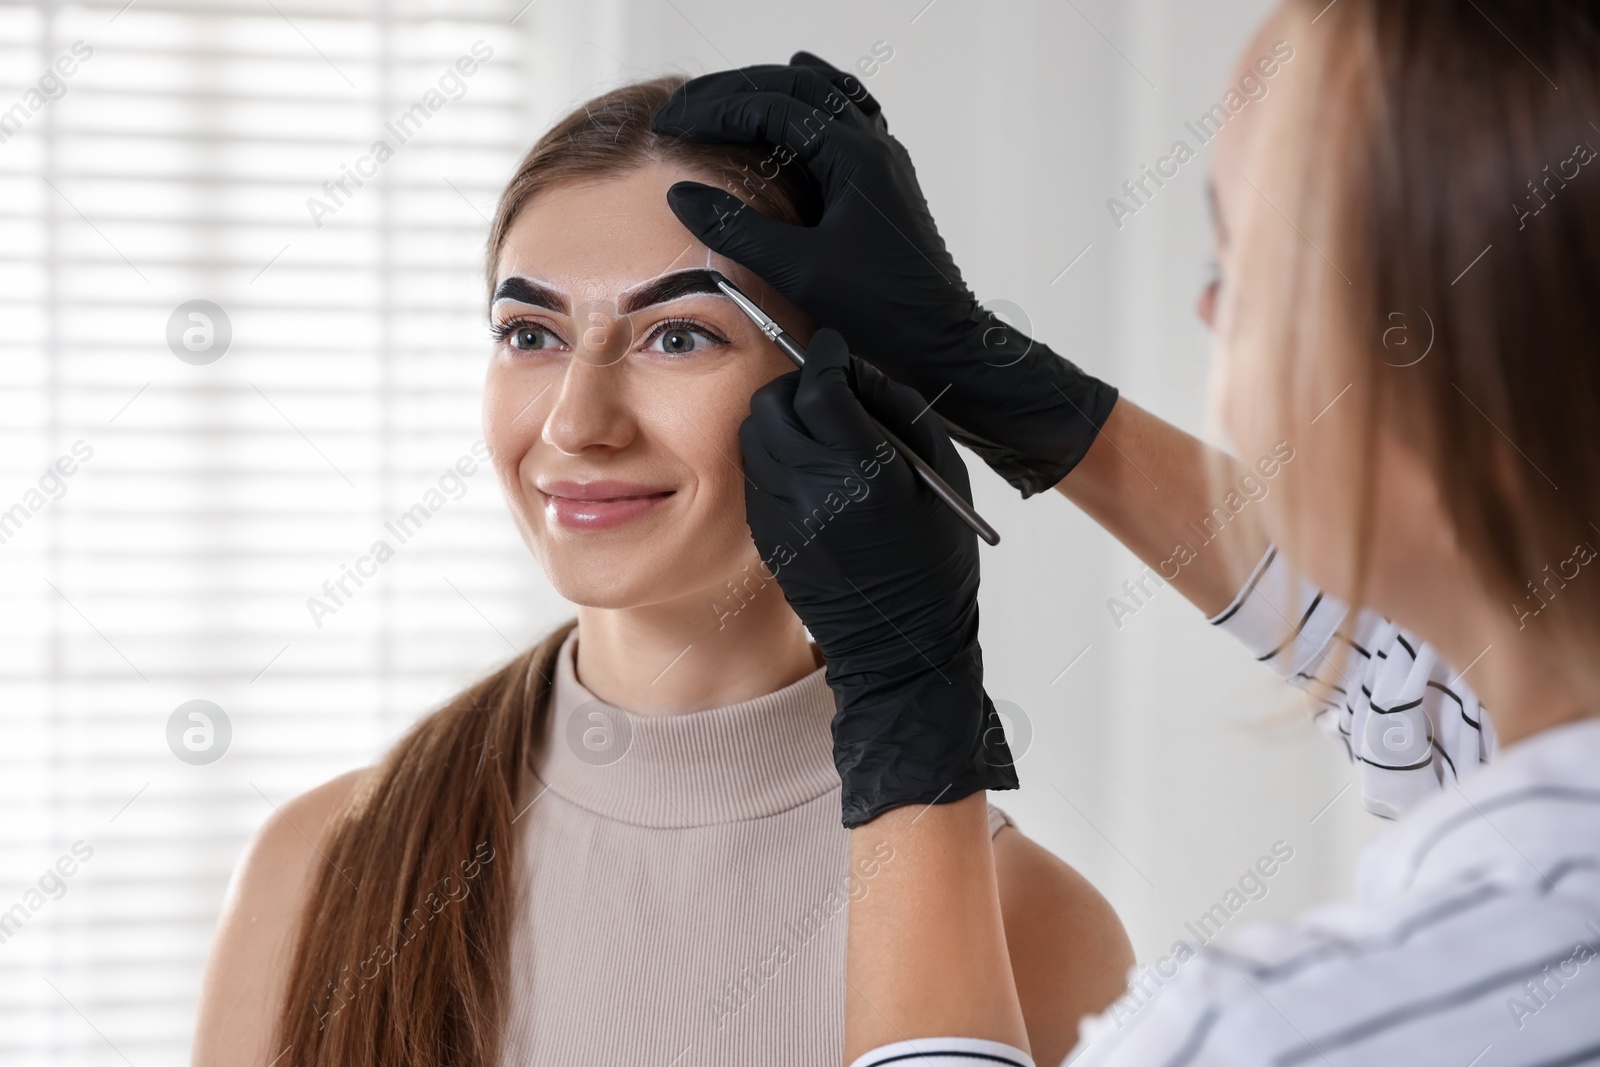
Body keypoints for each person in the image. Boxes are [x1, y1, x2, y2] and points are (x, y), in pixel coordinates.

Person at [655, 1, 1600, 1064]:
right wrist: (989, 372)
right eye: (527, 331)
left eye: (1236, 268)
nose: (1206, 311)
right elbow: (1430, 655)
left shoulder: (1282, 1034)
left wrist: (903, 698)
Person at [189, 78, 1134, 1067]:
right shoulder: (320, 864)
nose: (575, 424)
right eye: (530, 334)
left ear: (845, 394)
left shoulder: (1032, 918)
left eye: (677, 336)